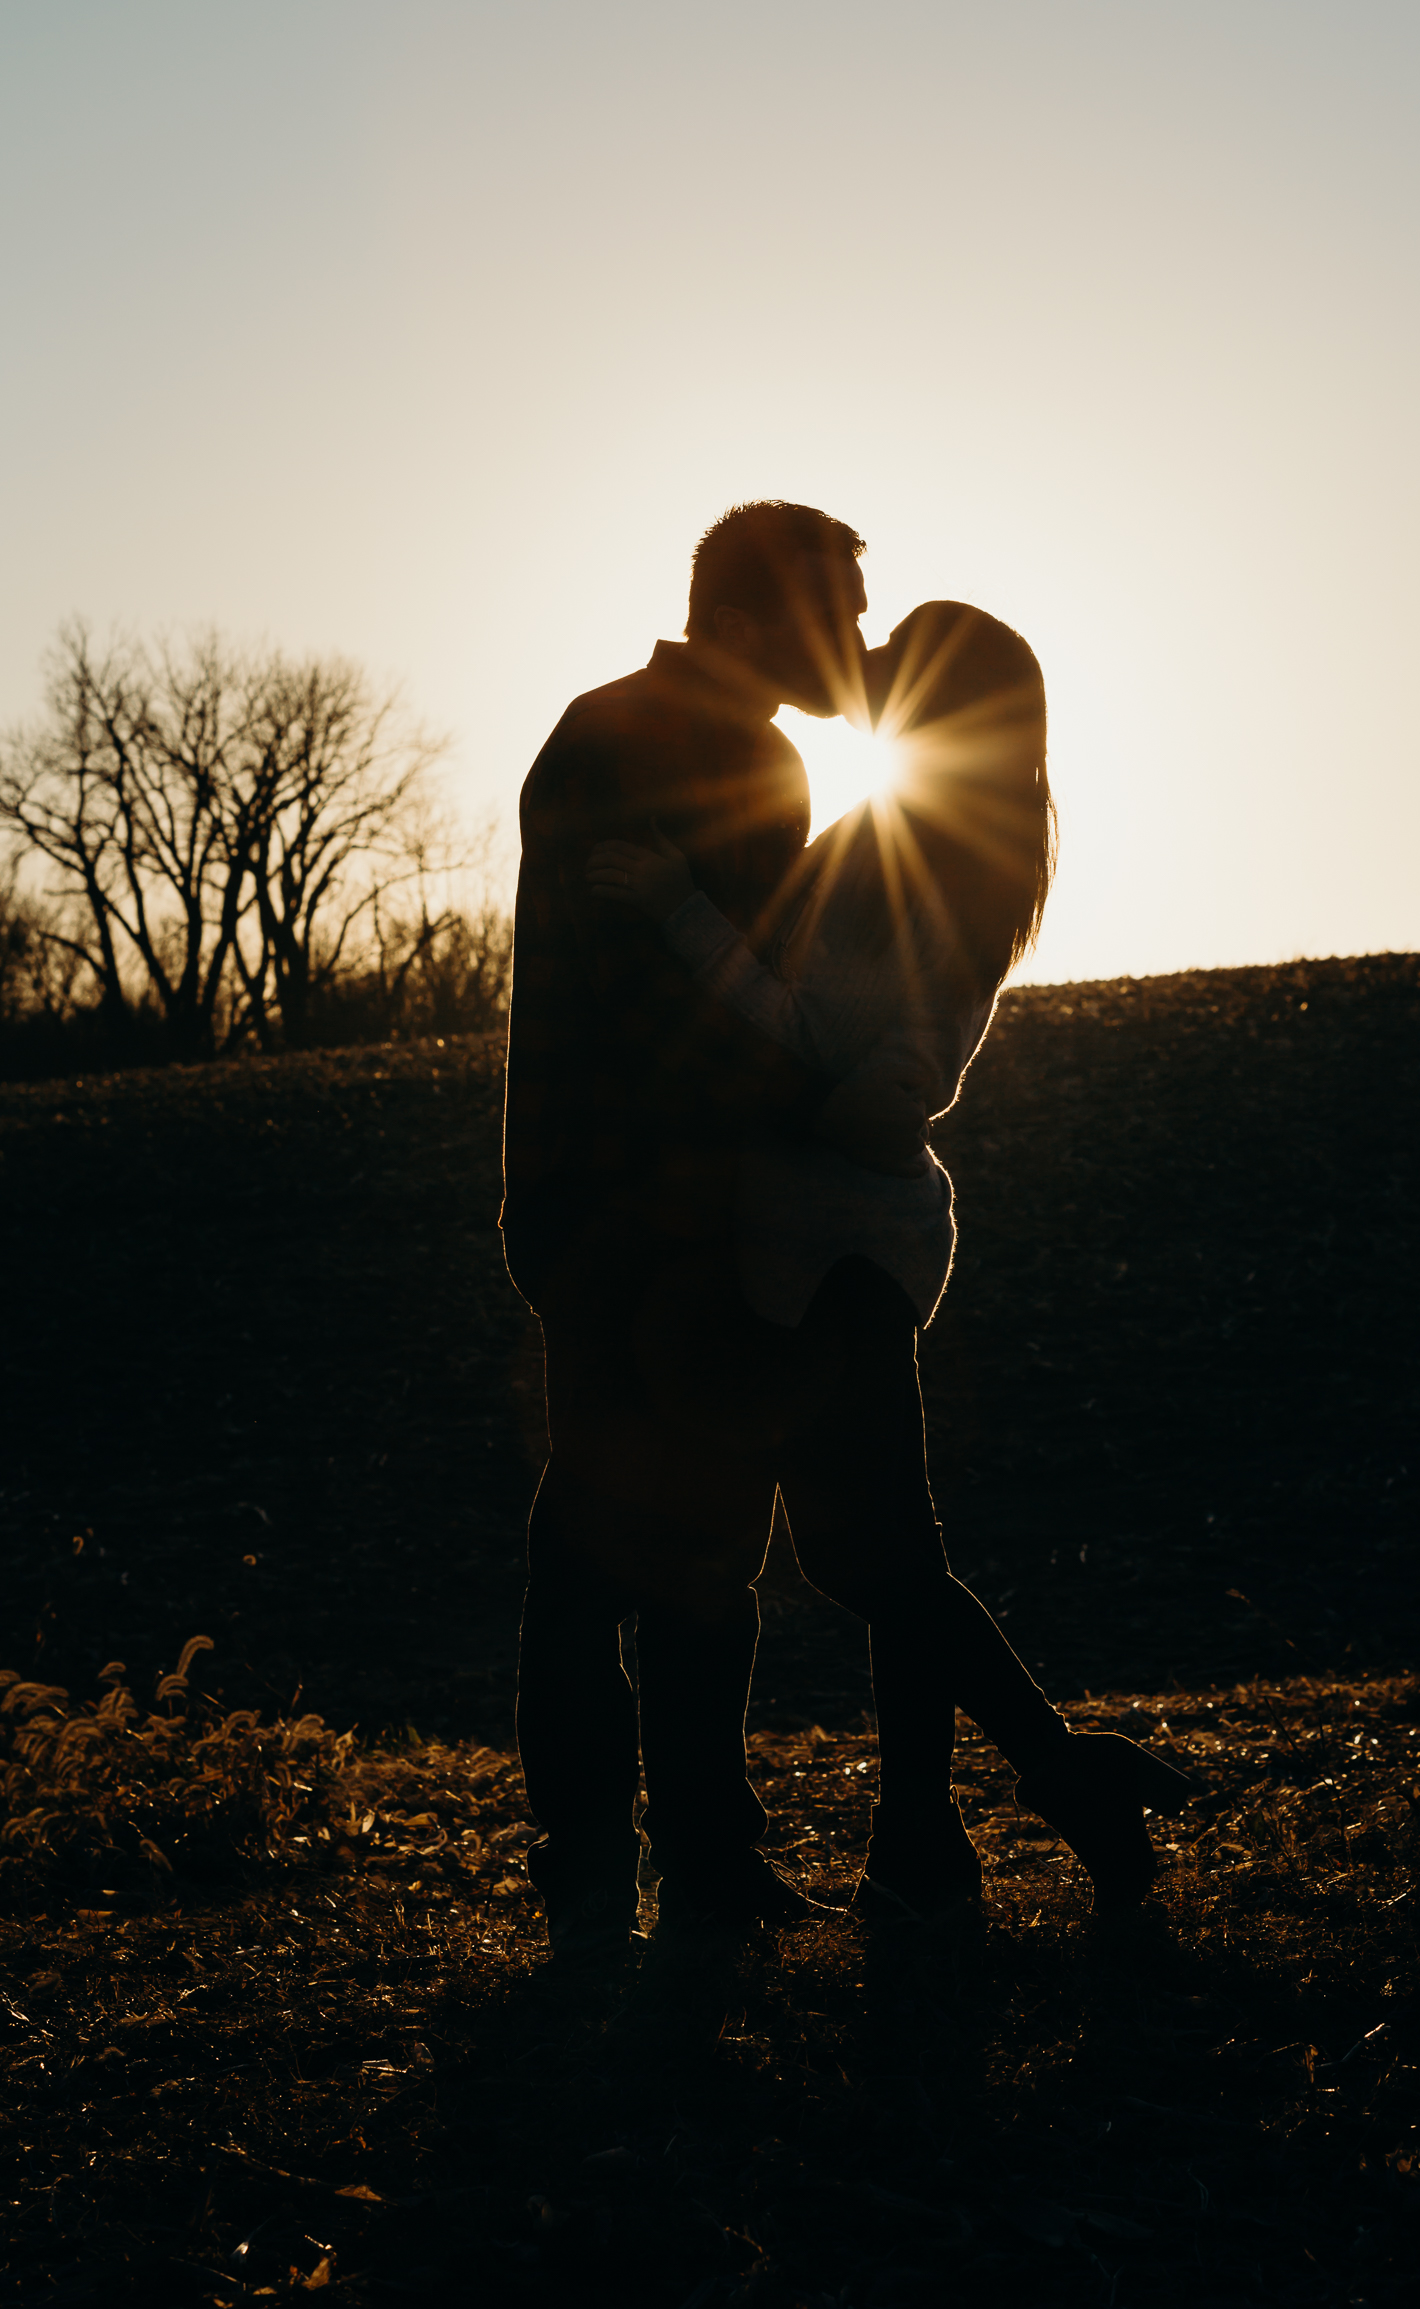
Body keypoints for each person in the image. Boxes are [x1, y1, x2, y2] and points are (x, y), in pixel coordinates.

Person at [587, 601, 1188, 1931]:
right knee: (890, 1557)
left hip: (833, 1253)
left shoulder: (902, 856)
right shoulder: (976, 853)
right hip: (854, 1246)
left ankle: (1055, 1779)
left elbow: (817, 1037)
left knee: (873, 1568)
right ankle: (929, 1846)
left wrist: (682, 907)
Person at [503, 500, 928, 1966]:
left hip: (661, 1214)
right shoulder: (646, 746)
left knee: (688, 1552)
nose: (860, 648)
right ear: (745, 623)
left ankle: (684, 1865)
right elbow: (674, 1010)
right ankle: (613, 1876)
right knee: (609, 1550)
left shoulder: (696, 743)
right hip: (638, 1218)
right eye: (835, 619)